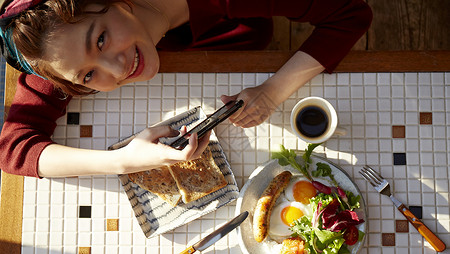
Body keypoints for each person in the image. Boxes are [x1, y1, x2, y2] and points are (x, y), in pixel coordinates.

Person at [0, 0, 372, 178]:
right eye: (87, 77)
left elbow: (350, 13)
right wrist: (123, 160)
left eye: (100, 40)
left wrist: (273, 91)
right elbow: (14, 149)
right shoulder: (55, 44)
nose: (117, 69)